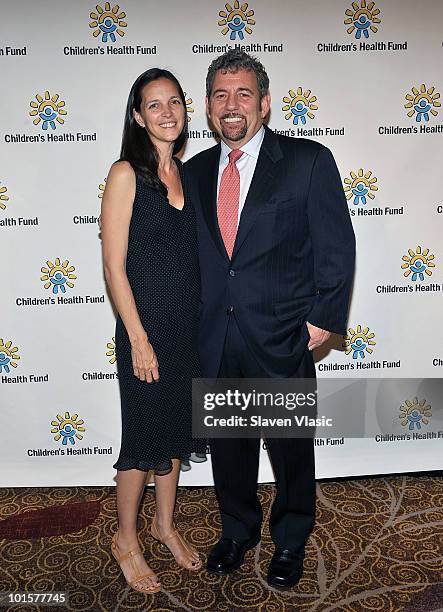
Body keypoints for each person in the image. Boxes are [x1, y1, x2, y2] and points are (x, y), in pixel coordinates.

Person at [186, 49, 355, 589]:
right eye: (220, 95)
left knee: (290, 450)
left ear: (264, 103)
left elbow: (336, 245)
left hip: (282, 334)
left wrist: (324, 316)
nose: (231, 105)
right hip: (216, 338)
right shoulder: (190, 174)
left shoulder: (307, 160)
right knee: (229, 451)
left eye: (242, 94)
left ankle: (290, 538)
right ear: (209, 108)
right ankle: (237, 529)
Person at [101, 68, 206, 594]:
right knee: (142, 438)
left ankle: (165, 526)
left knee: (173, 435)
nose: (168, 113)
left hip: (186, 330)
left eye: (175, 102)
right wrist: (138, 339)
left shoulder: (188, 174)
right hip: (145, 332)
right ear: (138, 116)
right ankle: (126, 539)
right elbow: (114, 267)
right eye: (154, 105)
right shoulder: (126, 174)